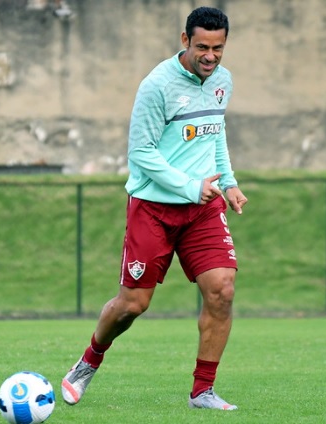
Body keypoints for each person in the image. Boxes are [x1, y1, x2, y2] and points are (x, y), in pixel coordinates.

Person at [61, 6, 247, 411]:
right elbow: (141, 154)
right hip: (154, 208)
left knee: (222, 291)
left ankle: (202, 391)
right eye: (202, 46)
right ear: (185, 41)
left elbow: (215, 134)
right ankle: (88, 361)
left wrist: (227, 183)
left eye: (218, 48)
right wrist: (187, 185)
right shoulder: (157, 86)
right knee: (133, 305)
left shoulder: (222, 81)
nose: (210, 56)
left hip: (202, 209)